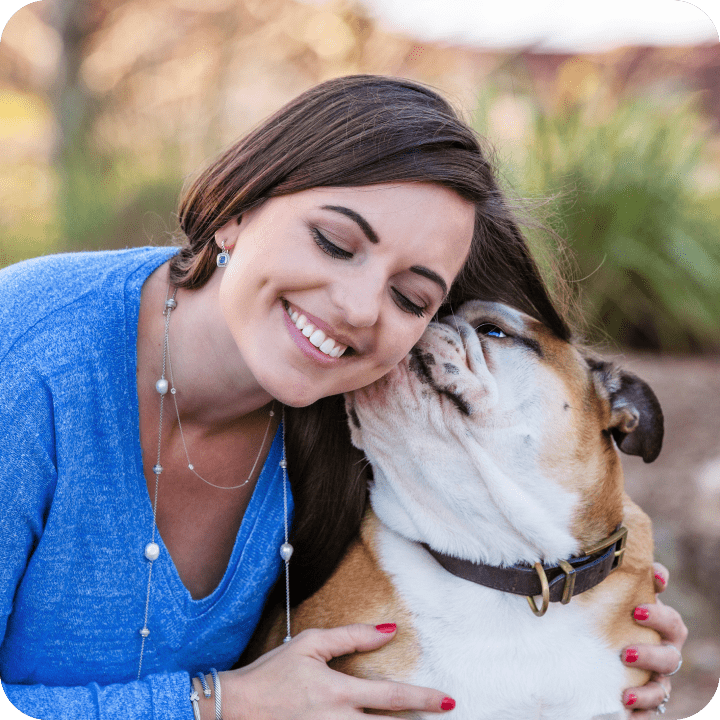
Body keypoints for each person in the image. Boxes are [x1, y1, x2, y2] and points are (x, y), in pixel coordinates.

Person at [0, 75, 686, 720]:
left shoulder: (370, 408)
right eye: (334, 242)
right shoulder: (28, 356)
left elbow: (541, 502)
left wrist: (598, 635)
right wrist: (218, 703)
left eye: (410, 297)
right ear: (239, 206)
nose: (358, 309)